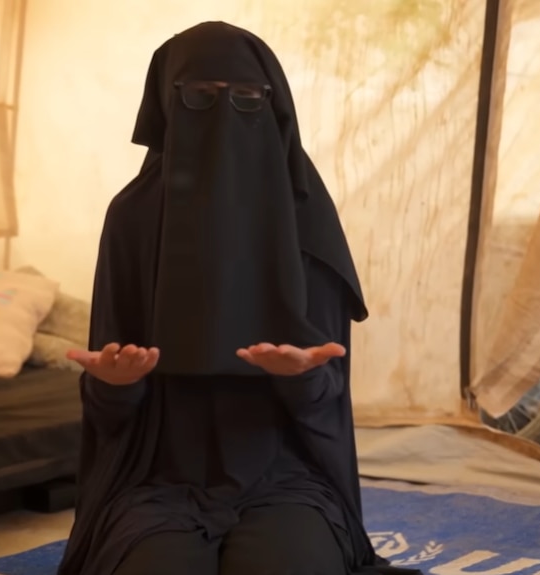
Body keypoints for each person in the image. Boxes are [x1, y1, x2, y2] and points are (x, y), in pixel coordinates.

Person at [58, 21, 420, 575]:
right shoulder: (132, 221)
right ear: (165, 105)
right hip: (156, 477)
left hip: (287, 475)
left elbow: (328, 406)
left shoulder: (308, 227)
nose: (225, 119)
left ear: (275, 111)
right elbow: (109, 414)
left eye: (248, 99)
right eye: (199, 98)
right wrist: (115, 385)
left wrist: (300, 376)